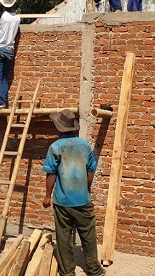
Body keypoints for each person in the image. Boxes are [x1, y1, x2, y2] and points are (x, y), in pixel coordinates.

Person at [42, 109, 105, 276]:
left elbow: (51, 174)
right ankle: (94, 269)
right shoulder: (84, 145)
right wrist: (87, 189)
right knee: (88, 236)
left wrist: (48, 196)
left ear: (59, 128)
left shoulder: (55, 147)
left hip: (62, 202)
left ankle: (68, 271)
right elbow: (90, 171)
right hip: (83, 200)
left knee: (63, 238)